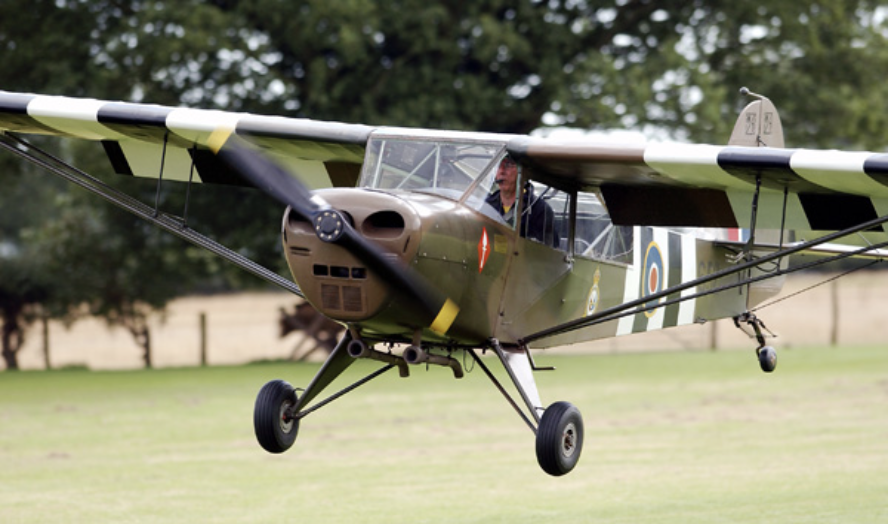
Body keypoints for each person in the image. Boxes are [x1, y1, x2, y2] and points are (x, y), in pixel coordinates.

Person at [486, 157, 558, 247]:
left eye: (507, 165)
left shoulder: (540, 210)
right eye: (498, 166)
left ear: (524, 171)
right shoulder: (486, 205)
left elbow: (549, 252)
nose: (501, 171)